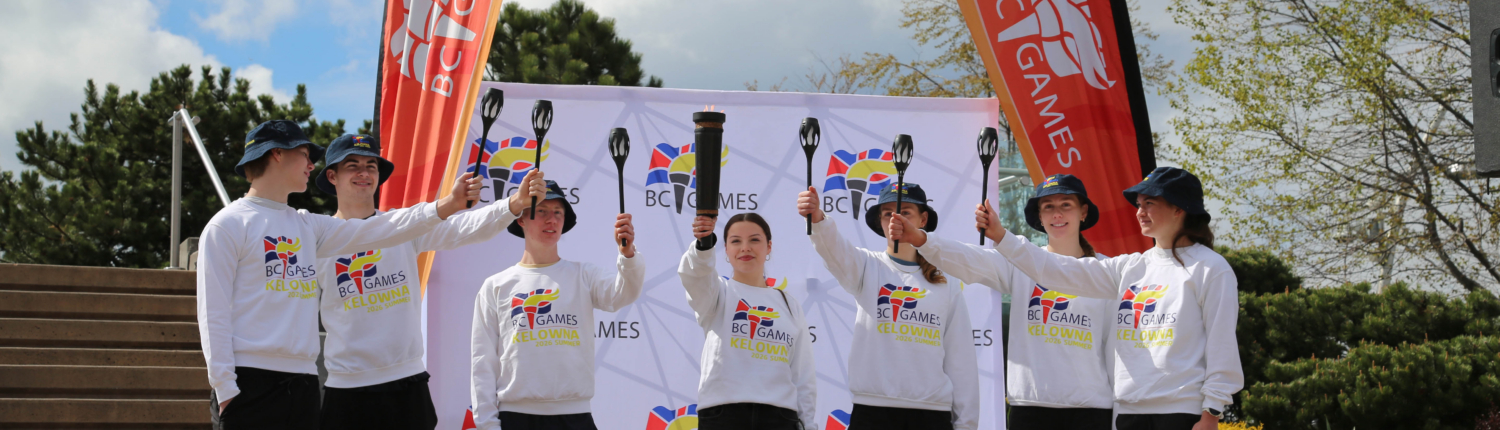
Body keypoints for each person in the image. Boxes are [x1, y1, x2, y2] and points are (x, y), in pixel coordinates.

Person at [198, 120, 482, 429]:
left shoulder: (308, 226)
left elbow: (385, 227)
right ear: (277, 154)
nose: (311, 165)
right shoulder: (227, 225)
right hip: (250, 381)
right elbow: (212, 313)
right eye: (306, 154)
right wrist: (225, 389)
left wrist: (453, 205)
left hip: (305, 383)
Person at [972, 167, 1242, 430]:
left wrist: (1212, 412)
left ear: (1178, 208)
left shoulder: (1211, 269)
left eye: (1149, 202)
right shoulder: (1130, 267)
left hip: (1182, 413)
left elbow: (1222, 346)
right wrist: (1001, 238)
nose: (1140, 212)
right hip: (1129, 413)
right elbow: (1058, 270)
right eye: (1138, 204)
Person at [312, 134, 534, 429]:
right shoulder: (318, 238)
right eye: (352, 166)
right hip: (347, 389)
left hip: (408, 385)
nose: (364, 173)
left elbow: (465, 228)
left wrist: (513, 204)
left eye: (371, 165)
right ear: (332, 176)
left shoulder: (402, 226)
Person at [892, 174, 1114, 429]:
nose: (1057, 214)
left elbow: (1115, 351)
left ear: (1083, 212)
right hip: (1030, 411)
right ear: (1039, 217)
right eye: (1048, 207)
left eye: (1066, 205)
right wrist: (920, 239)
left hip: (1092, 413)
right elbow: (968, 258)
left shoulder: (1105, 272)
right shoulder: (1020, 264)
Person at [797, 183, 979, 430]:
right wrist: (817, 219)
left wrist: (966, 425)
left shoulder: (947, 279)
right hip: (873, 413)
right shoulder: (866, 266)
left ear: (923, 219)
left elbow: (961, 360)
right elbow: (833, 250)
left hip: (931, 415)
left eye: (905, 213)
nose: (896, 219)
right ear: (880, 222)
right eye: (887, 213)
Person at [469, 177, 645, 430]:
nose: (551, 219)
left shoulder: (584, 275)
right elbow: (482, 363)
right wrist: (487, 425)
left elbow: (624, 294)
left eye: (558, 213)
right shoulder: (496, 286)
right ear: (521, 219)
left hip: (575, 418)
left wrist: (628, 255)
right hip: (516, 417)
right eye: (541, 211)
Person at [679, 213, 818, 430]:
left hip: (780, 418)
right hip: (723, 416)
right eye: (736, 241)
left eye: (754, 240)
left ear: (768, 246)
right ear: (725, 249)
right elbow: (694, 275)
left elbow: (803, 376)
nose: (745, 248)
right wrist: (702, 244)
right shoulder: (715, 293)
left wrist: (808, 425)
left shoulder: (790, 305)